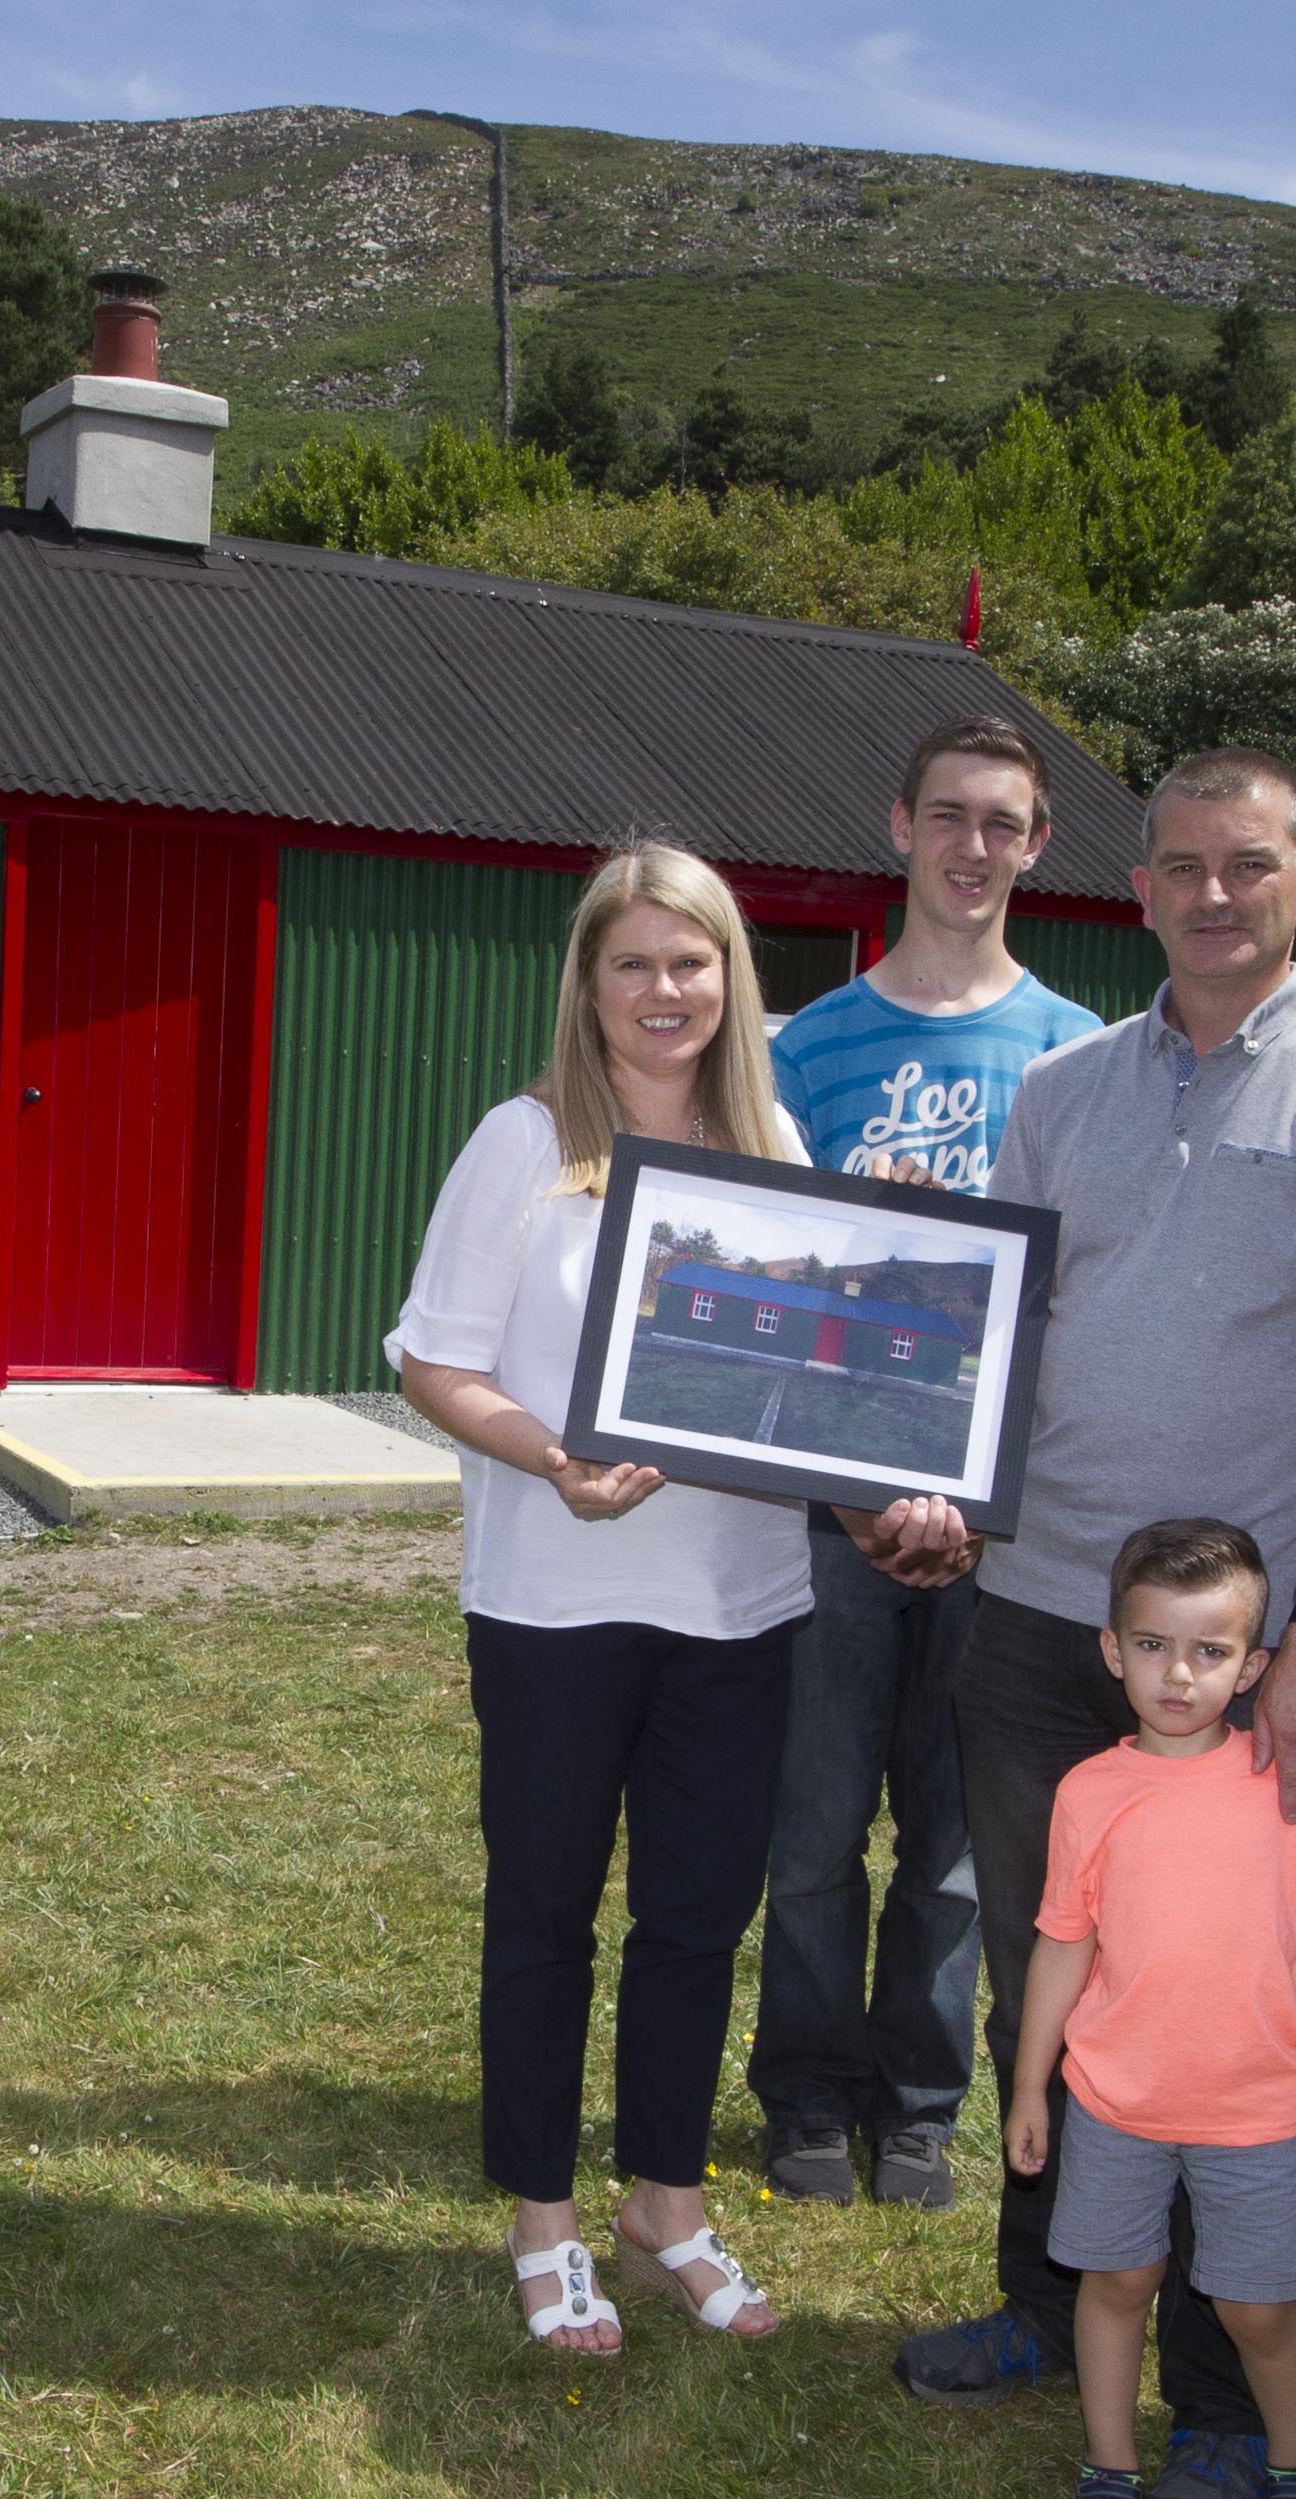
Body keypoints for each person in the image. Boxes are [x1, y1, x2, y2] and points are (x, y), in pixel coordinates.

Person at [867, 746, 1296, 2499]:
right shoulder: (1059, 1087)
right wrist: (937, 1491)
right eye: (1182, 865)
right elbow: (1005, 1333)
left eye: (1250, 866)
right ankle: (1052, 2306)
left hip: (1230, 1656)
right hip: (1038, 1616)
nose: (1214, 893)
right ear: (1134, 888)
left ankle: (1213, 2390)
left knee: (1217, 2009)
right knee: (1066, 1979)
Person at [391, 843, 815, 2354]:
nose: (662, 992)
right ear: (586, 981)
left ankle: (664, 2203)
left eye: (688, 962)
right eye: (630, 963)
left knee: (697, 1917)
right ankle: (542, 2220)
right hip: (553, 1600)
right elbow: (430, 1359)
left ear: (728, 979)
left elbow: (811, 1370)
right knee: (545, 1912)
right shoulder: (521, 1143)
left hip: (737, 1599)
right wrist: (546, 1452)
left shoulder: (774, 1138)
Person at [750, 716, 1101, 2212]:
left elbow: (1084, 1292)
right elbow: (766, 1279)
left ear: (1035, 846)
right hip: (827, 1516)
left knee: (960, 1848)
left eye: (1002, 823)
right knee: (814, 1826)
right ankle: (806, 2096)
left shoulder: (1076, 1054)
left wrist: (969, 1498)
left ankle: (919, 2103)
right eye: (947, 815)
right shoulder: (800, 1049)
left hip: (998, 1524)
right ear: (896, 825)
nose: (971, 846)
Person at [1005, 1519, 1296, 2499]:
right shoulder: (1089, 1793)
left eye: (1210, 1652)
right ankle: (1109, 2473)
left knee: (1258, 2306)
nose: (1177, 1673)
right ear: (1114, 1649)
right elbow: (1062, 1943)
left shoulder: (1285, 1783)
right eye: (1153, 1644)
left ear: (1252, 1667)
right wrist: (1031, 2084)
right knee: (1116, 2280)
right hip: (1115, 2100)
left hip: (1255, 2104)